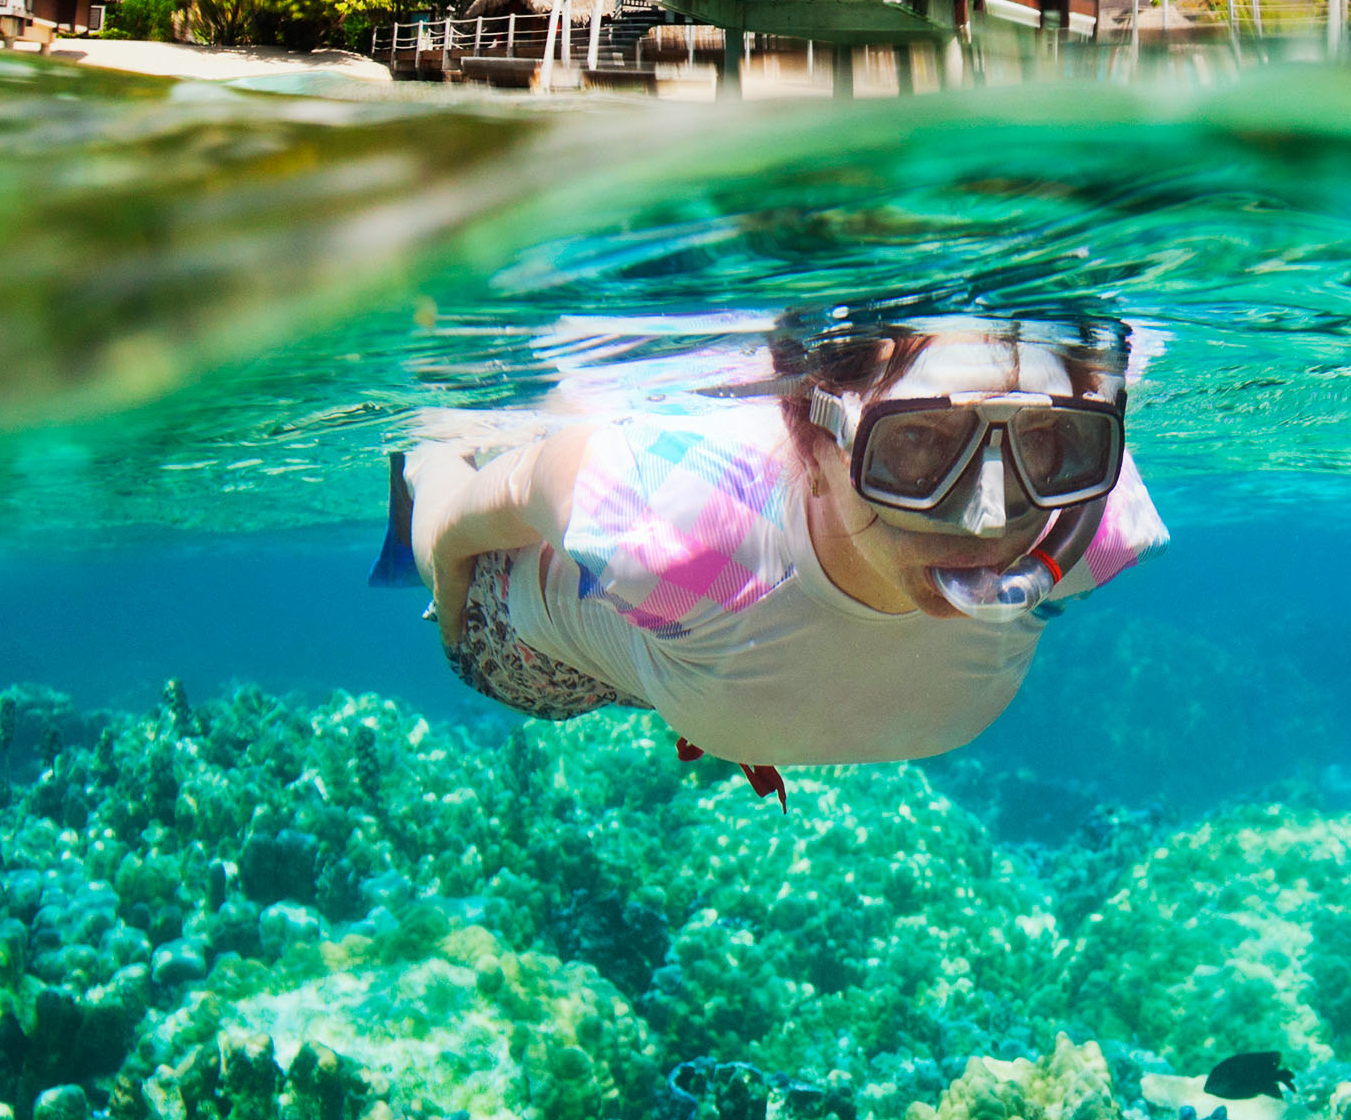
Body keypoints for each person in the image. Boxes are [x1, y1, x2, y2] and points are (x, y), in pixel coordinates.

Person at [386, 315, 1165, 787]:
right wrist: (450, 594)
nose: (991, 517)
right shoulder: (670, 524)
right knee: (443, 487)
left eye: (1049, 445)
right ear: (811, 440)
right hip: (546, 657)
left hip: (698, 664)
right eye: (920, 446)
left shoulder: (1092, 524)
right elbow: (463, 522)